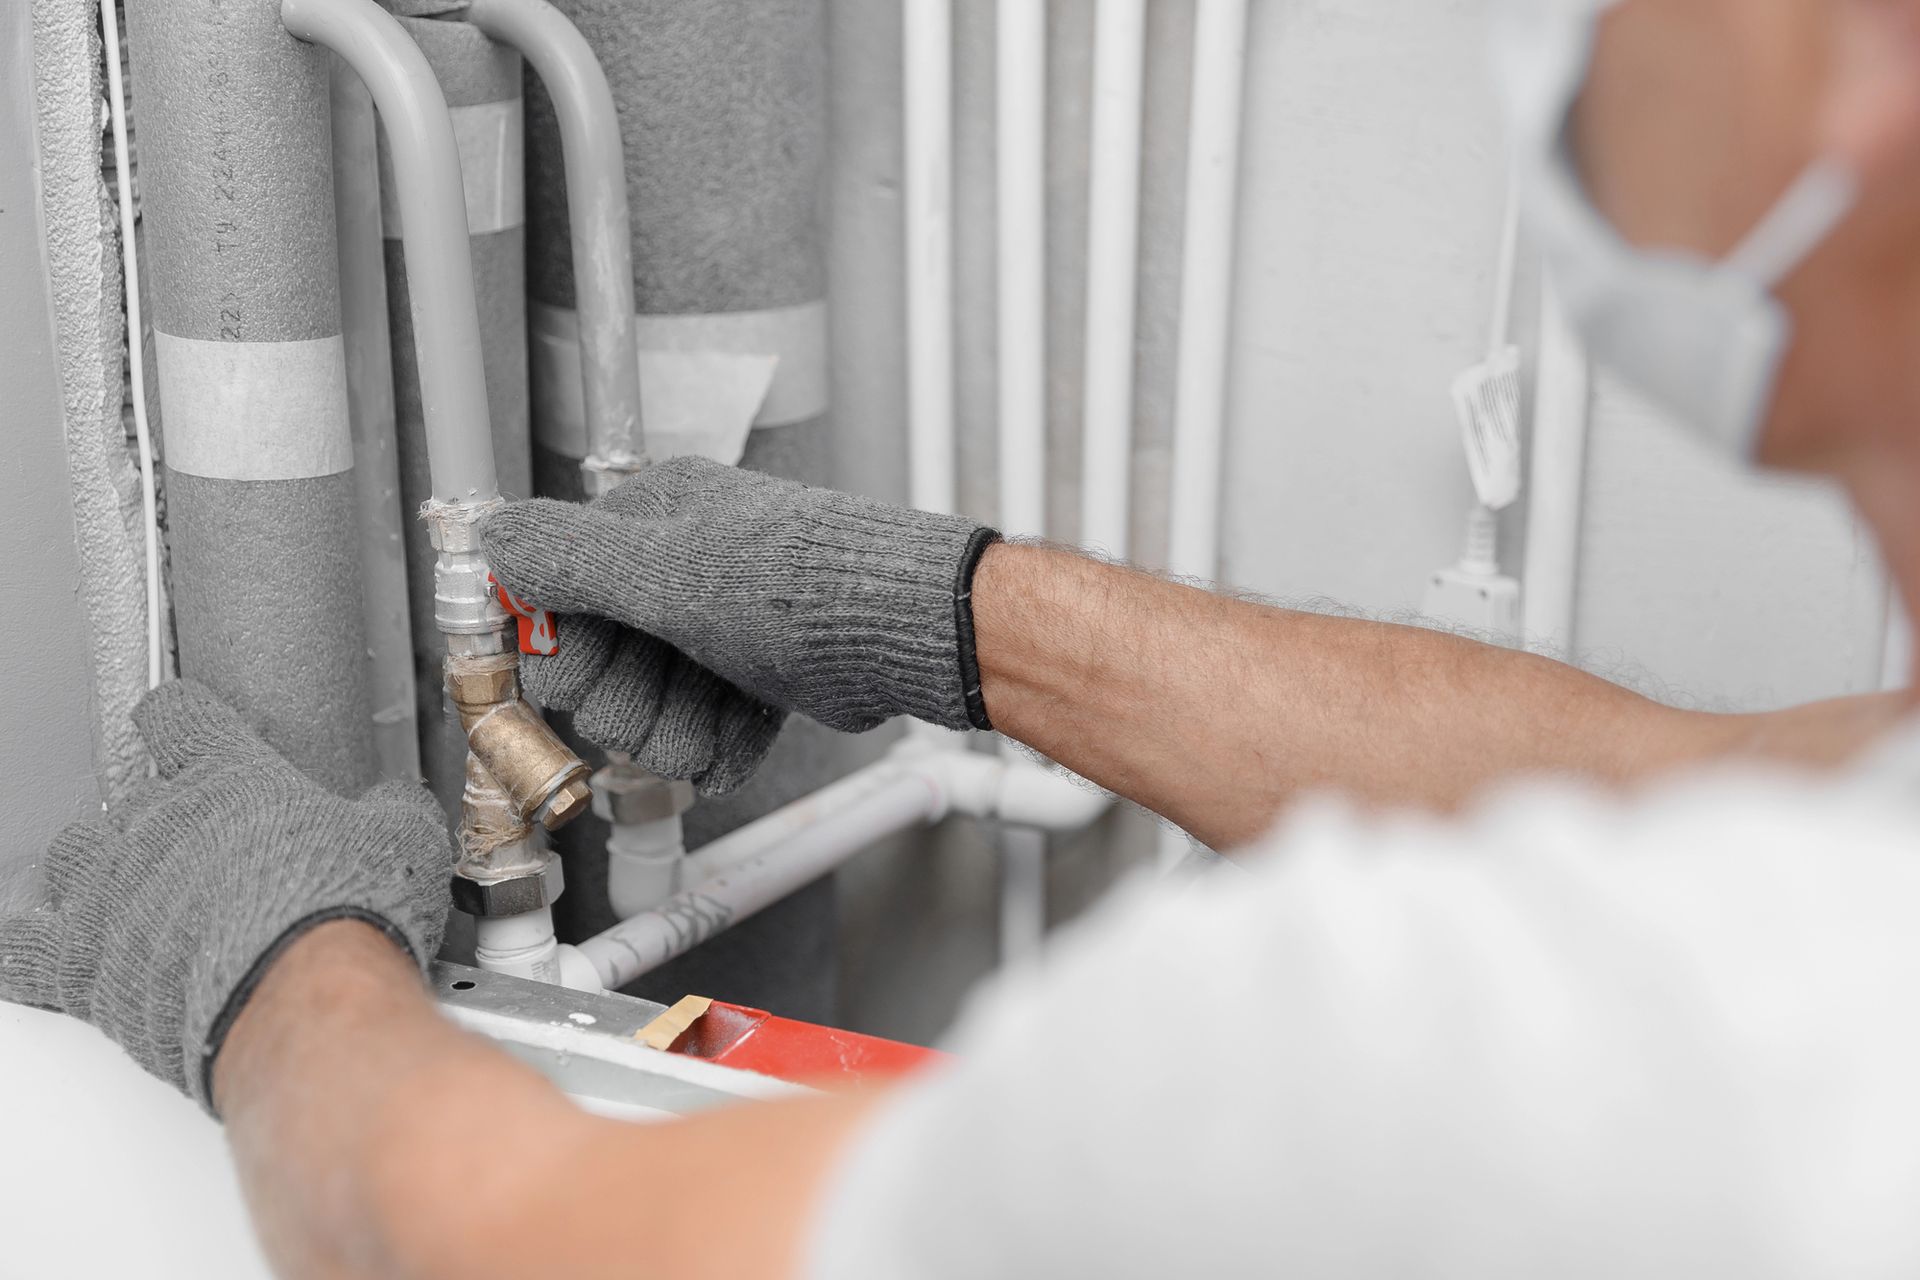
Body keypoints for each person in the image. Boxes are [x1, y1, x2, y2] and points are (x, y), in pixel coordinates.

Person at [7, 0, 1920, 1273]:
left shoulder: (1633, 1062)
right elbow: (1702, 793)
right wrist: (941, 610)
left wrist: (270, 972)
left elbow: (545, 1244)